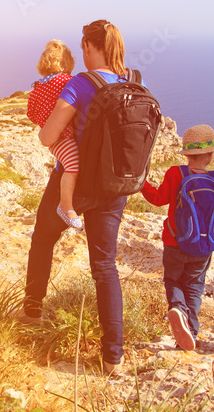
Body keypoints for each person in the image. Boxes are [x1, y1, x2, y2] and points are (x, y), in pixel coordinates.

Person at [18, 20, 139, 376]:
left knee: (43, 240)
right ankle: (112, 357)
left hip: (75, 180)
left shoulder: (80, 83)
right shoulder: (134, 80)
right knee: (105, 266)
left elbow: (47, 136)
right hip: (114, 186)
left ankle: (32, 311)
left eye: (83, 46)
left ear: (88, 46)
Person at [142, 124, 214, 351]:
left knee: (173, 280)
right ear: (210, 154)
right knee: (194, 286)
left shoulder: (175, 173)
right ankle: (191, 332)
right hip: (204, 246)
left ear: (186, 154)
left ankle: (177, 307)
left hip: (175, 242)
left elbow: (158, 199)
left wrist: (141, 184)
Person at [26, 40, 83, 231]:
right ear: (66, 64)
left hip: (54, 141)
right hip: (64, 137)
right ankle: (66, 206)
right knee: (73, 165)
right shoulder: (67, 81)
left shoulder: (37, 88)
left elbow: (31, 115)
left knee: (69, 164)